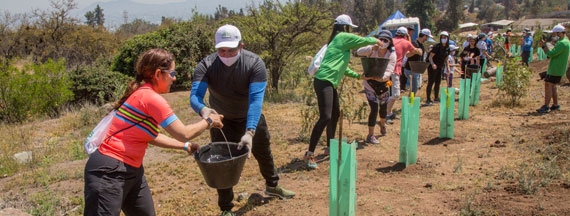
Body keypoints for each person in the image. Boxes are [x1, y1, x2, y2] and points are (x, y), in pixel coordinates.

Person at [84, 48, 224, 216]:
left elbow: (151, 136)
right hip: (109, 171)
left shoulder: (143, 94)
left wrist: (184, 146)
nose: (175, 78)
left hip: (132, 170)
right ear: (158, 74)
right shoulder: (151, 98)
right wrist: (209, 121)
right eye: (172, 73)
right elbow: (183, 132)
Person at [190, 24, 295, 216]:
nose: (227, 54)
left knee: (263, 151)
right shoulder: (206, 65)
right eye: (222, 50)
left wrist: (250, 131)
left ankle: (272, 186)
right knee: (222, 163)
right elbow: (195, 97)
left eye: (232, 50)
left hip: (250, 116)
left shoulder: (255, 64)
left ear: (241, 46)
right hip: (221, 121)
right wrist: (205, 110)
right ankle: (226, 208)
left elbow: (255, 101)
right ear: (216, 48)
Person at [306, 14, 381, 168]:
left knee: (334, 114)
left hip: (329, 83)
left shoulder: (337, 41)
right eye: (349, 28)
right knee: (325, 116)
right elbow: (362, 40)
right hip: (323, 81)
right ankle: (309, 154)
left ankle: (329, 147)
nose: (350, 31)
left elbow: (342, 67)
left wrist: (359, 76)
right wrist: (376, 40)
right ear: (344, 27)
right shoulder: (342, 37)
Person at [356, 30, 397, 144]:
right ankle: (370, 135)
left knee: (383, 107)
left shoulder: (391, 54)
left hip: (383, 84)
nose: (383, 42)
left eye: (386, 40)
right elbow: (359, 52)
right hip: (369, 84)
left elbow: (390, 69)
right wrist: (371, 48)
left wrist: (382, 77)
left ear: (390, 42)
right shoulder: (372, 49)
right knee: (374, 108)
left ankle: (383, 125)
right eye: (381, 39)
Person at [390, 27, 422, 122]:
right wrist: (419, 50)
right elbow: (415, 51)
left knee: (388, 93)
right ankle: (386, 113)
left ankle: (388, 112)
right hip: (395, 70)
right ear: (405, 35)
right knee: (396, 94)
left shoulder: (391, 40)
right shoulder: (406, 42)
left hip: (385, 70)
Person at [537, 24, 570, 113]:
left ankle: (546, 106)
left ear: (560, 33)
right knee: (553, 85)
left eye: (555, 34)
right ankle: (555, 105)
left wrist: (543, 47)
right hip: (558, 68)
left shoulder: (562, 43)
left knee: (548, 84)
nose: (554, 36)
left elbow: (550, 54)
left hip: (556, 68)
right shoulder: (566, 41)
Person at [403, 28, 431, 95]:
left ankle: (411, 101)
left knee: (415, 88)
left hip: (416, 70)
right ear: (424, 36)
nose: (426, 39)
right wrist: (416, 52)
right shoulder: (414, 44)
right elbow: (407, 55)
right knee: (414, 88)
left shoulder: (422, 46)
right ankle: (410, 103)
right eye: (427, 37)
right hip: (410, 69)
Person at [426, 31, 450, 104]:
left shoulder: (447, 48)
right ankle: (428, 99)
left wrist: (447, 67)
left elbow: (446, 58)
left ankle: (436, 97)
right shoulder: (437, 47)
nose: (443, 39)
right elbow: (430, 57)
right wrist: (433, 64)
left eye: (445, 37)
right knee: (431, 82)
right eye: (442, 37)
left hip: (440, 67)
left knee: (438, 82)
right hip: (433, 67)